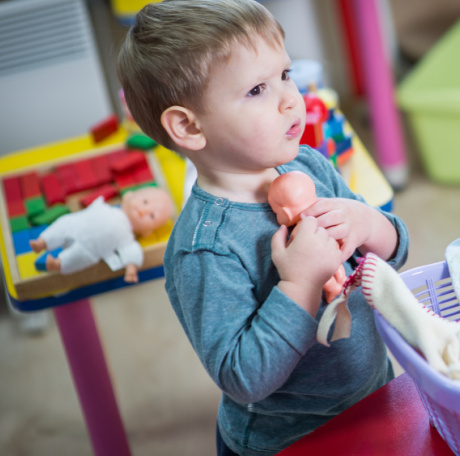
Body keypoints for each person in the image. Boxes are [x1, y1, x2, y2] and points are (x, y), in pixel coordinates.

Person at [116, 1, 409, 455]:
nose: (291, 99)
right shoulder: (205, 250)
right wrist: (300, 283)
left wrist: (368, 223)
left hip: (374, 394)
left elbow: (393, 254)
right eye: (257, 90)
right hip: (292, 439)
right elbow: (243, 377)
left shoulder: (307, 164)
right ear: (188, 126)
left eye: (285, 76)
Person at [29, 187, 173, 283]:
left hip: (89, 249)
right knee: (63, 224)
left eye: (152, 216)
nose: (144, 210)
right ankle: (42, 242)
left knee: (78, 258)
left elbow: (133, 253)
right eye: (145, 201)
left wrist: (131, 269)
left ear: (147, 232)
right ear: (128, 197)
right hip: (76, 224)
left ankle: (57, 264)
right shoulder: (106, 207)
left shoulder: (127, 239)